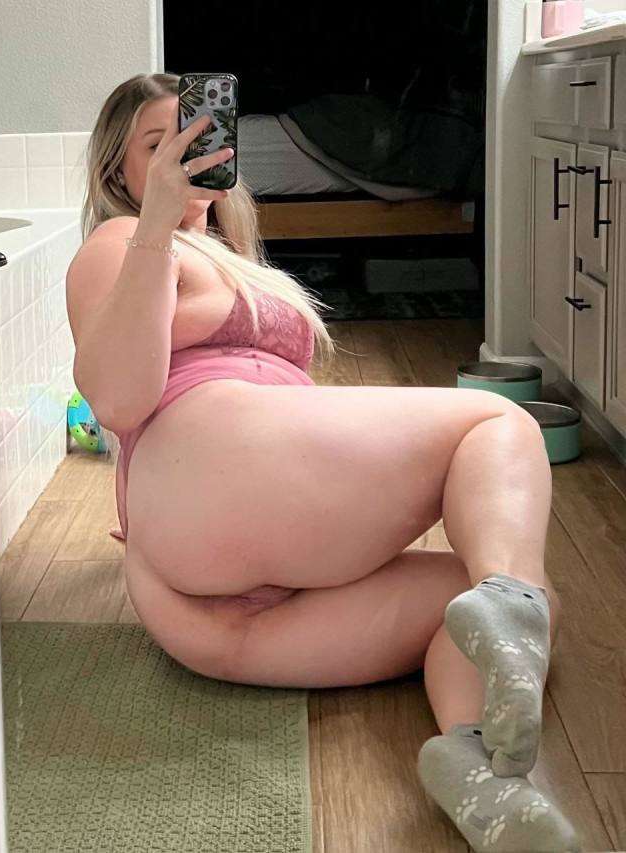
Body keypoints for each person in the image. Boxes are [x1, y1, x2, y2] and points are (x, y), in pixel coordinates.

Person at [65, 73, 580, 852]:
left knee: (494, 595)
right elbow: (116, 397)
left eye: (196, 140)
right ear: (119, 172)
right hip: (206, 475)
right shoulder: (124, 240)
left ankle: (483, 773)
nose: (181, 158)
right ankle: (513, 602)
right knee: (499, 422)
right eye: (158, 145)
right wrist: (158, 221)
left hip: (215, 617)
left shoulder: (222, 254)